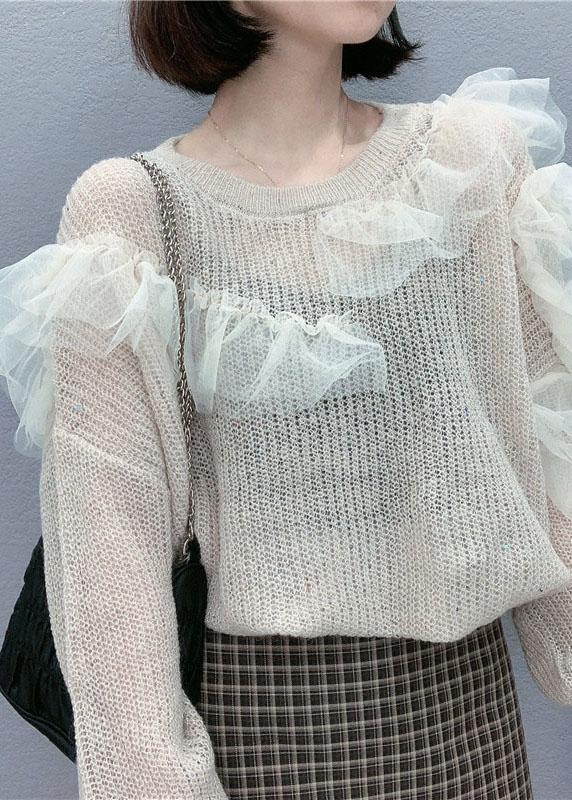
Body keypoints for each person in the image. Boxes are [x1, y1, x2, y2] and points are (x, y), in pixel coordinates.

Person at [0, 1, 570, 798]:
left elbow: (545, 435)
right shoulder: (138, 208)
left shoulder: (469, 157)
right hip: (257, 725)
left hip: (466, 714)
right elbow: (109, 540)